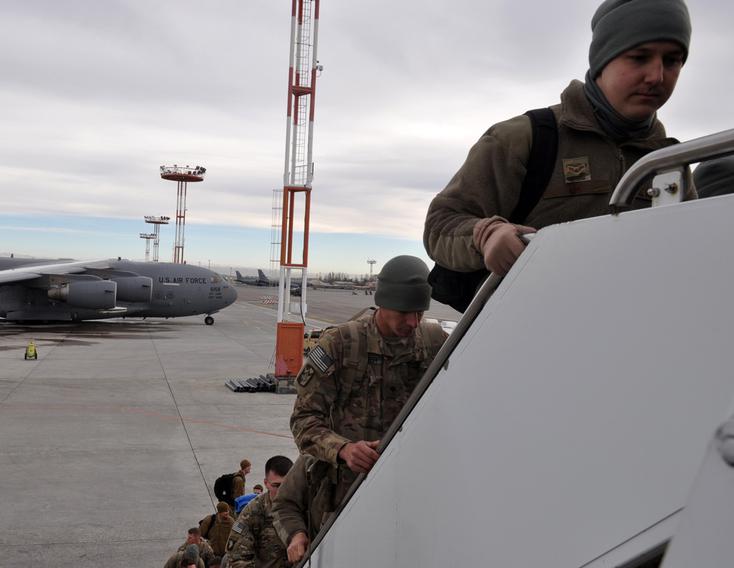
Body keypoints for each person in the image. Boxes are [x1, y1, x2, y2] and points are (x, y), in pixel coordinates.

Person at [424, 0, 694, 279]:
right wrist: (486, 235)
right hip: (527, 319)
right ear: (603, 59)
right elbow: (439, 225)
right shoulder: (524, 138)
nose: (656, 76)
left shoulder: (669, 163)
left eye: (672, 60)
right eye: (639, 57)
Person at [289, 255, 448, 512]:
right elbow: (303, 420)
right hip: (350, 495)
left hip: (412, 486)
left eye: (420, 312)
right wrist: (344, 449)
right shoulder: (341, 344)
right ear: (383, 303)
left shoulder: (434, 341)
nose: (413, 322)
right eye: (404, 312)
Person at [224, 455, 294, 567]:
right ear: (266, 483)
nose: (281, 491)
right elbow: (235, 559)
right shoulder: (251, 513)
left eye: (286, 485)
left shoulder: (304, 505)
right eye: (276, 486)